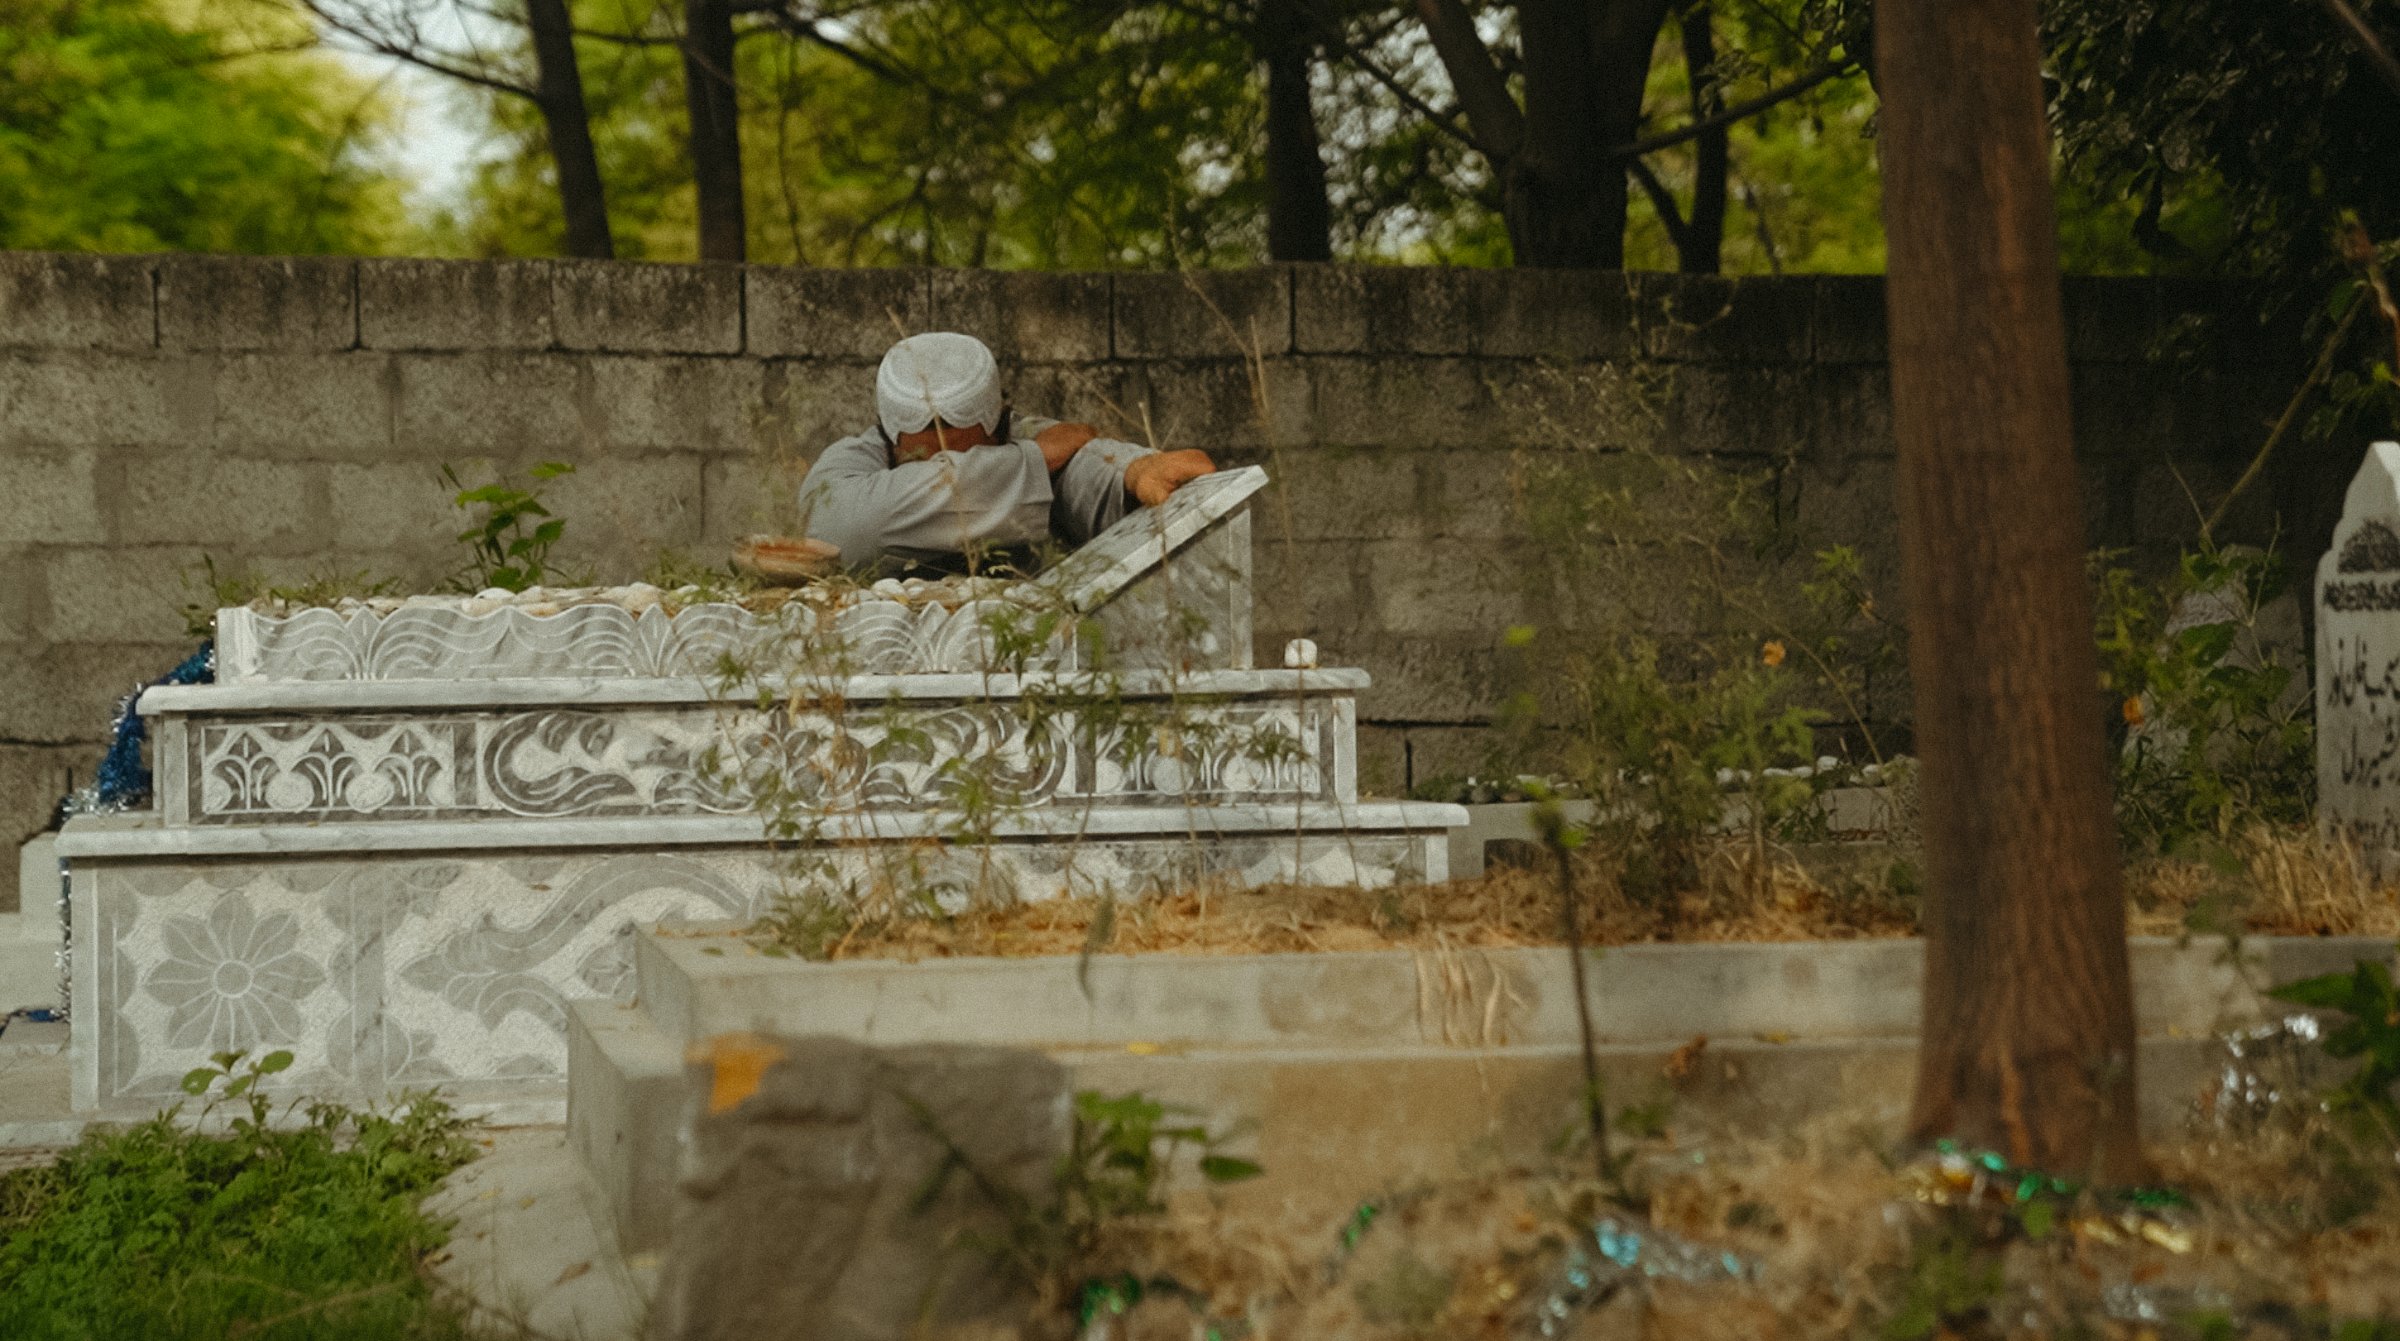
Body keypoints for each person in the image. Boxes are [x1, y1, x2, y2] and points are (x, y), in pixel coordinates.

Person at [797, 332, 1217, 577]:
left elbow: (1086, 466)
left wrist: (1133, 471)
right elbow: (838, 528)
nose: (949, 468)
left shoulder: (1028, 437)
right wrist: (1029, 461)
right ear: (890, 440)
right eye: (925, 461)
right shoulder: (854, 459)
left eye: (969, 453)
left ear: (999, 424)